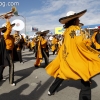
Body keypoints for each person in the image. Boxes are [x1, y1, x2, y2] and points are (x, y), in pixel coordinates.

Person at [45, 9, 100, 100]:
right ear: (74, 20)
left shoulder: (66, 32)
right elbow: (80, 43)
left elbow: (66, 45)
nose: (79, 21)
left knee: (62, 73)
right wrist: (91, 51)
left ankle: (51, 90)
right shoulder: (76, 30)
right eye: (78, 19)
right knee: (86, 78)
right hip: (77, 58)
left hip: (67, 58)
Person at [2, 15, 15, 86]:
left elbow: (12, 44)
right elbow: (9, 29)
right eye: (9, 28)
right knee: (11, 66)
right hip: (7, 52)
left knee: (3, 65)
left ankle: (0, 76)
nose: (11, 29)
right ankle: (11, 81)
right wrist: (7, 20)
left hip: (10, 51)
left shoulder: (10, 36)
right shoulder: (6, 35)